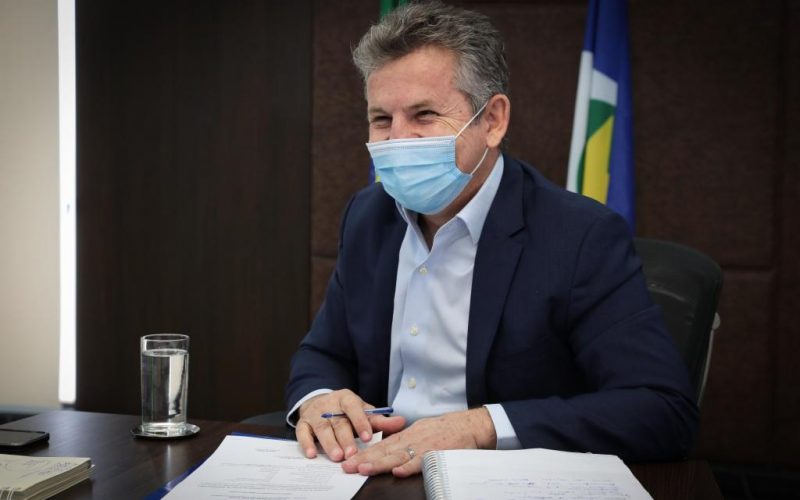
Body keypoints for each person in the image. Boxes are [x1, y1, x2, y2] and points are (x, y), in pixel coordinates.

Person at [285, 1, 698, 478]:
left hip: (499, 479)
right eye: (381, 119)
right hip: (372, 471)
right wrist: (318, 399)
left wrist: (482, 426)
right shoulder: (367, 216)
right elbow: (324, 353)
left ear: (493, 120)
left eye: (424, 114)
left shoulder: (579, 236)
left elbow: (661, 409)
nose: (398, 139)